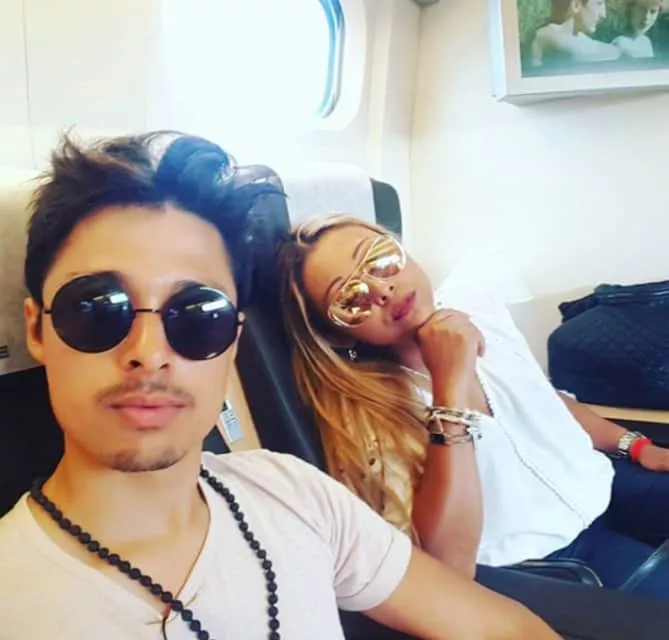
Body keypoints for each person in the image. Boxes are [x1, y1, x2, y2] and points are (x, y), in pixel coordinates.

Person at [0, 133, 559, 640]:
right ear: (37, 330)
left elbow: (500, 627)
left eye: (199, 314)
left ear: (233, 341)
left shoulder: (293, 493)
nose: (148, 351)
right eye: (97, 308)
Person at [279, 214, 669, 597]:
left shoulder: (480, 314)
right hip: (553, 560)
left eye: (379, 259)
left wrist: (635, 445)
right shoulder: (367, 419)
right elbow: (447, 569)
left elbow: (544, 402)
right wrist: (450, 383)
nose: (381, 289)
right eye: (350, 298)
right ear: (338, 334)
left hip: (604, 484)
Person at [530, 0, 620, 68]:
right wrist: (620, 46)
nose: (603, 14)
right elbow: (579, 52)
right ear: (576, 5)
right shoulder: (546, 35)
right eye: (599, 4)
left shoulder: (581, 38)